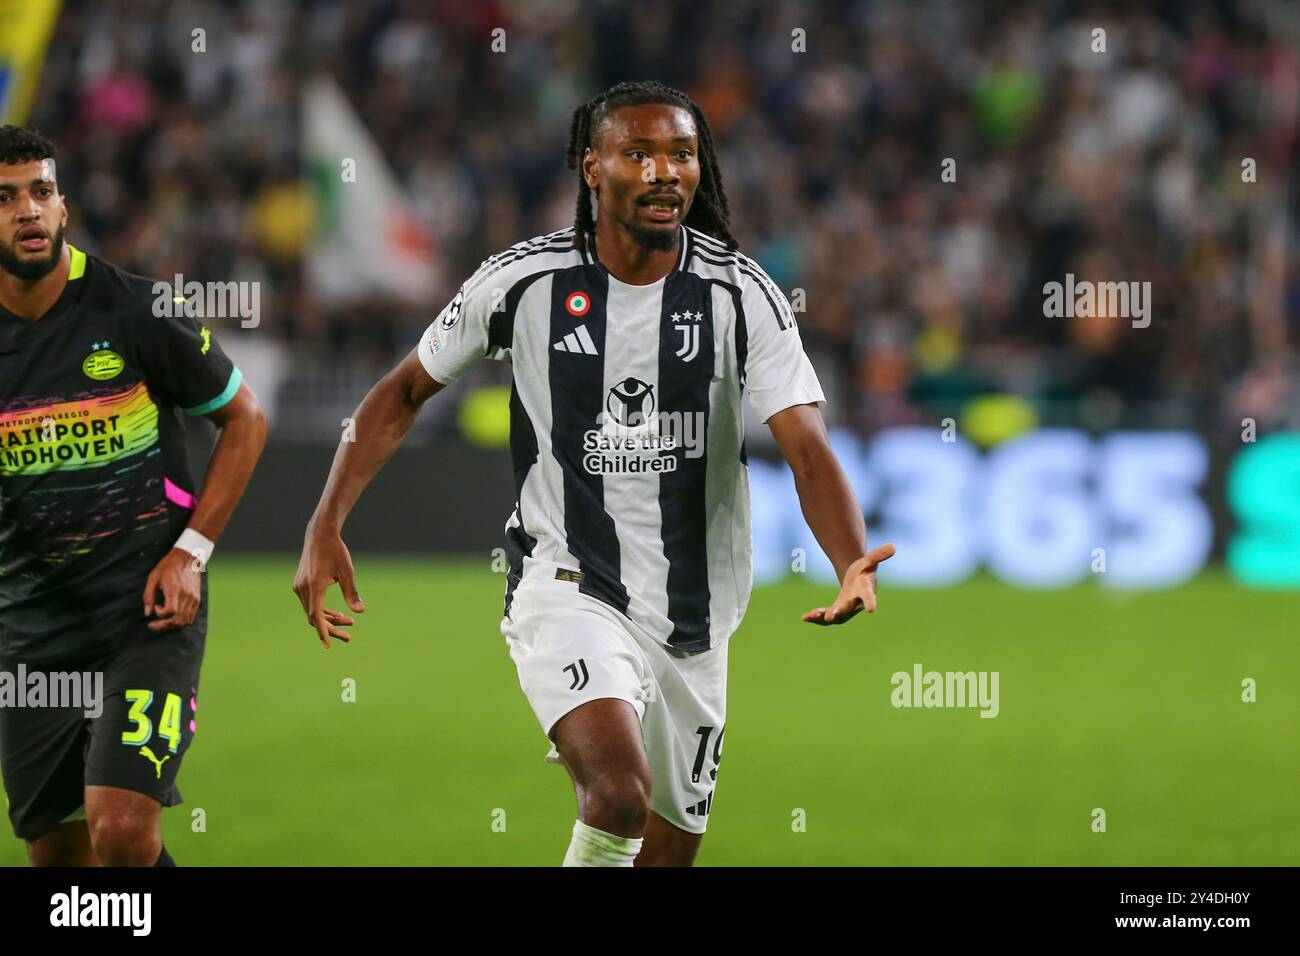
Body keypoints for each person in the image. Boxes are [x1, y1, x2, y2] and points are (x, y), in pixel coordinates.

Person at [293, 81, 894, 867]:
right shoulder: (521, 283)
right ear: (592, 167)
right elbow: (402, 391)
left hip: (697, 618)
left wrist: (849, 558)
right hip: (568, 582)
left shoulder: (742, 295)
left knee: (664, 856)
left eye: (681, 154)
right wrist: (325, 521)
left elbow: (808, 449)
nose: (664, 171)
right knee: (617, 795)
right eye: (637, 153)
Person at [0, 125, 267, 866]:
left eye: (41, 192)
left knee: (121, 831)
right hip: (30, 628)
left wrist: (191, 553)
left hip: (145, 615)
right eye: (5, 197)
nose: (28, 211)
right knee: (58, 853)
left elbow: (244, 419)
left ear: (64, 207)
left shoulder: (138, 310)